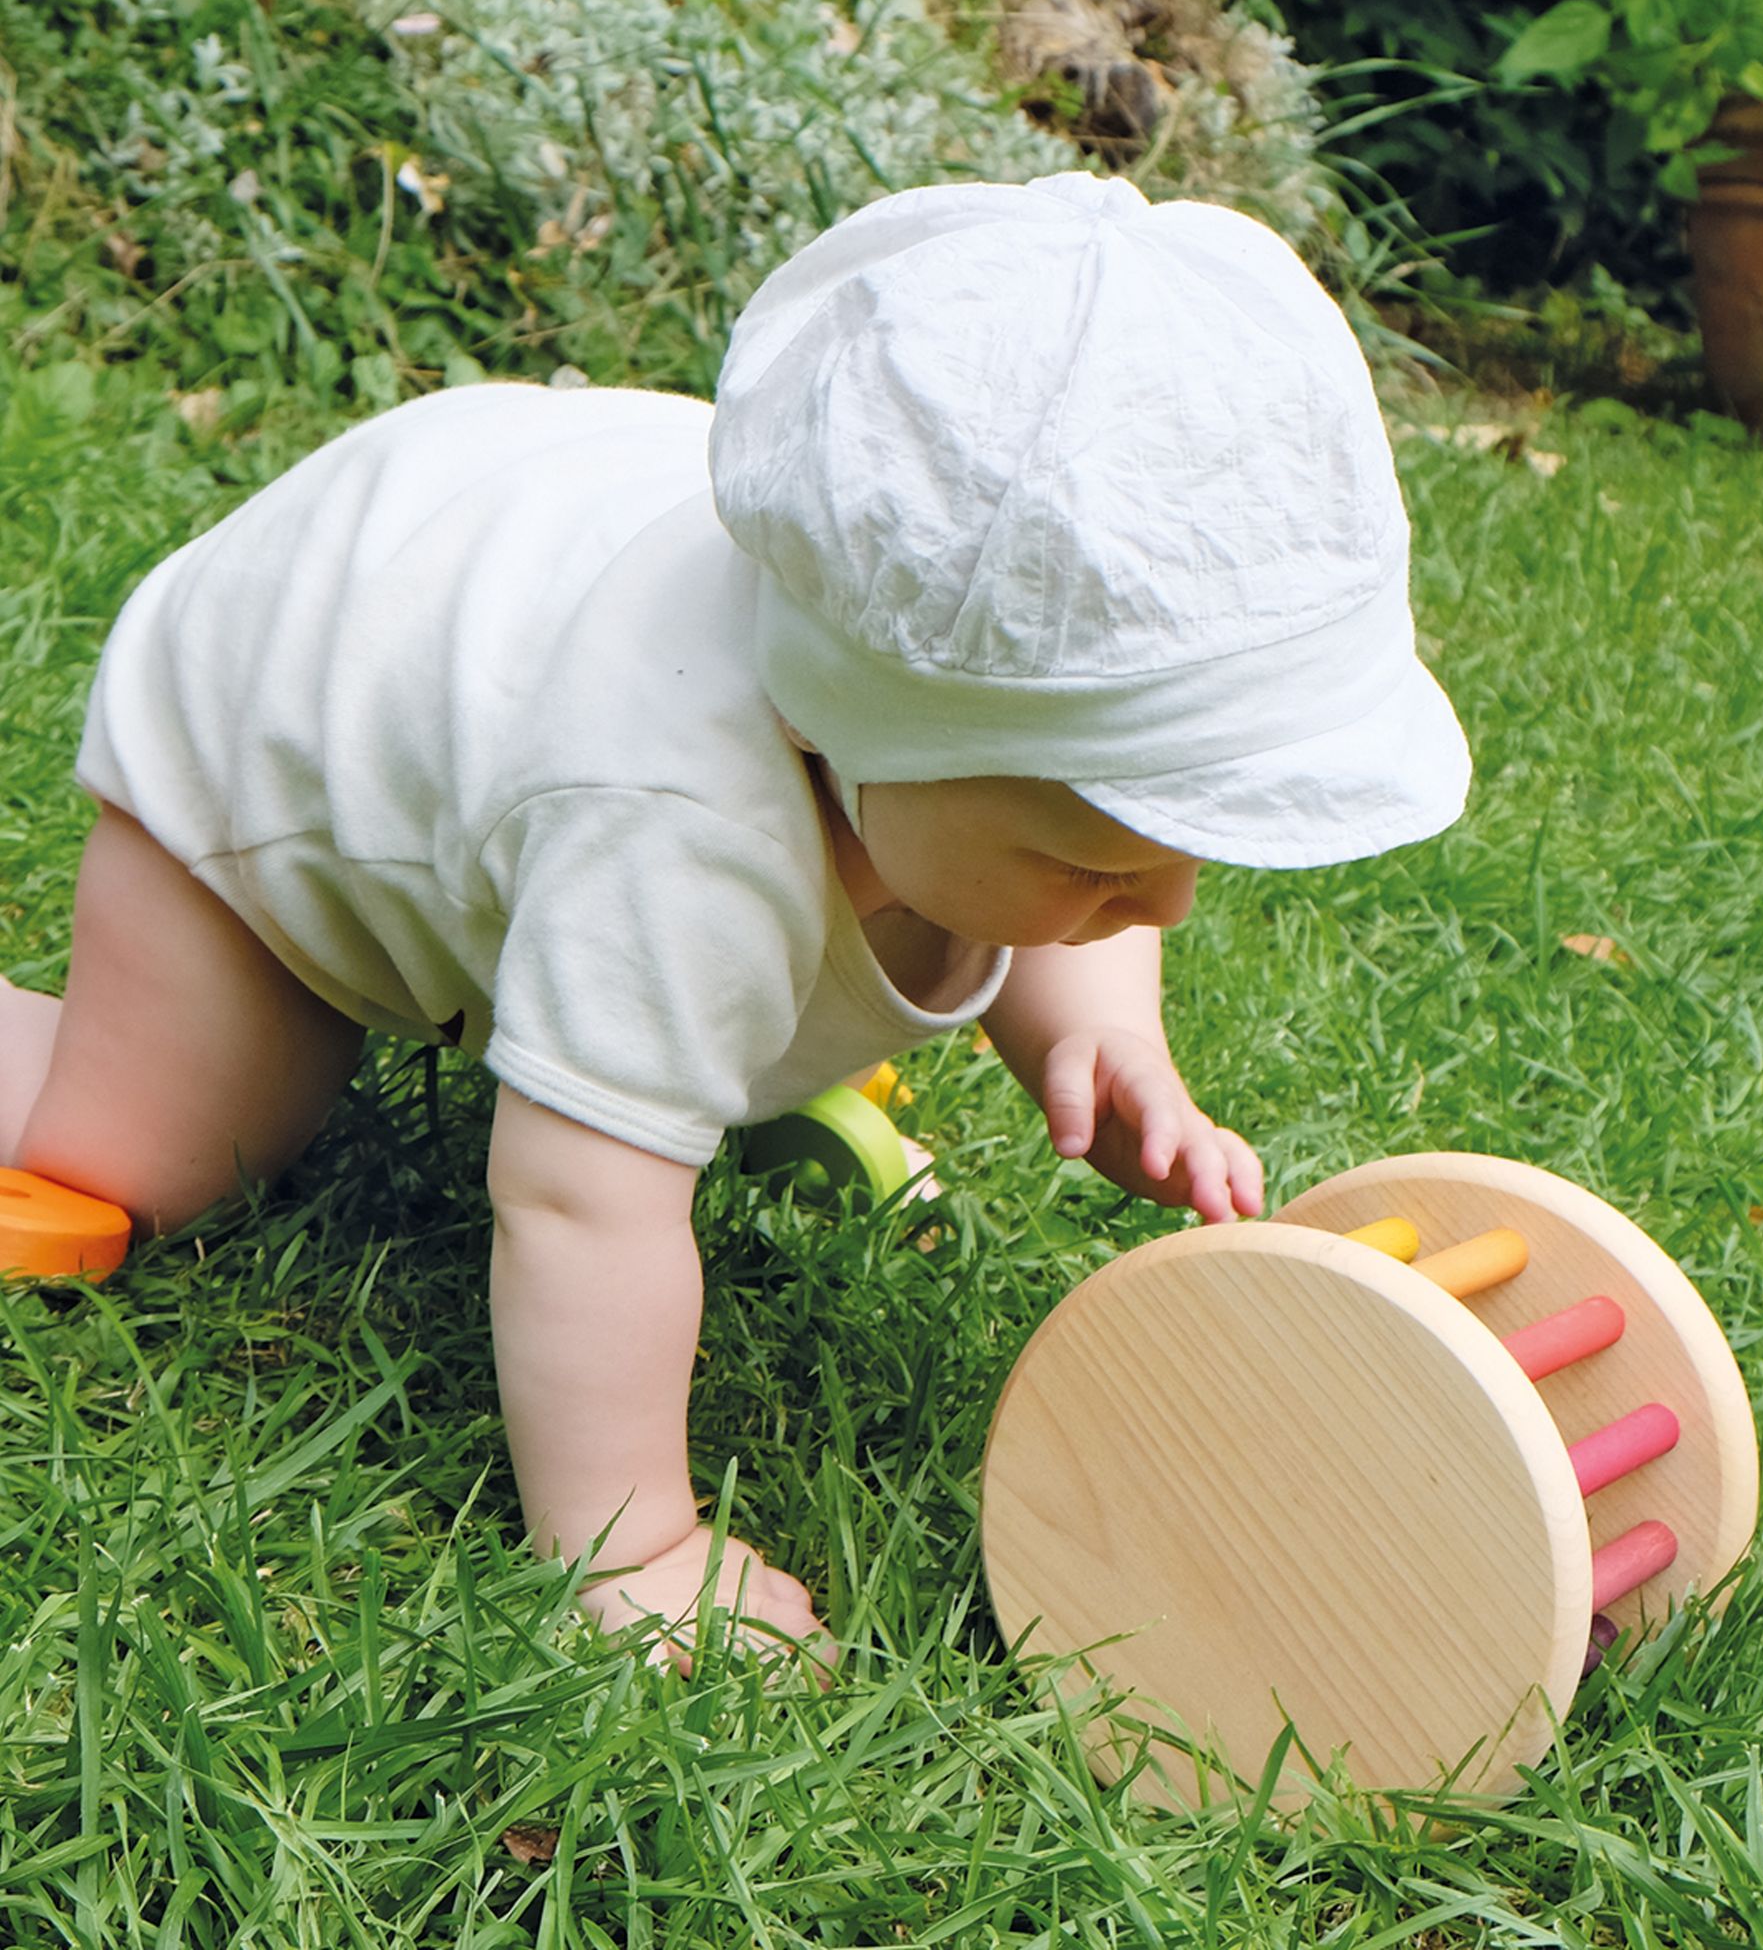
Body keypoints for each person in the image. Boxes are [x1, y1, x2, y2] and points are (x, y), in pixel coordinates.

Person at [0, 172, 1470, 1662]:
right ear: (873, 737)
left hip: (518, 543)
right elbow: (578, 1204)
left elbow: (1072, 849)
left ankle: (760, 1016)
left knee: (855, 934)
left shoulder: (934, 754)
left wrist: (1101, 1031)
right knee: (159, 1159)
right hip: (281, 703)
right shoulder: (672, 830)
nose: (1165, 900)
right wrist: (628, 1544)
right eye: (1096, 868)